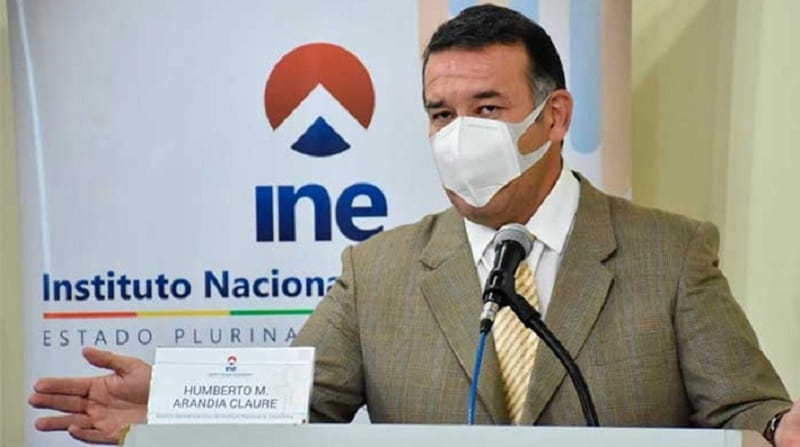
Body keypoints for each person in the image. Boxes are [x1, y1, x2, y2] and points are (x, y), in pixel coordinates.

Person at [29, 5, 800, 446]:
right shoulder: (379, 272)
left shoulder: (672, 252)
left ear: (555, 116)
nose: (458, 135)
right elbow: (288, 405)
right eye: (440, 113)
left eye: (487, 108)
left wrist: (777, 427)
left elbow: (746, 412)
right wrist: (172, 409)